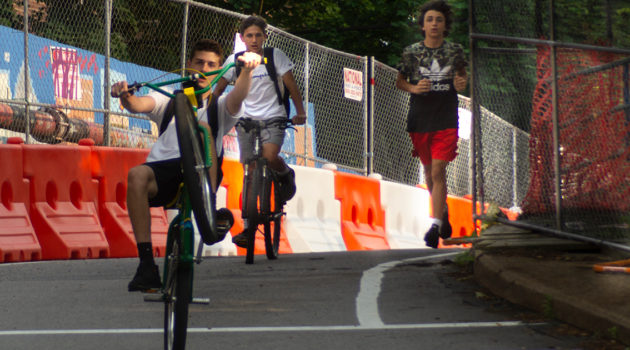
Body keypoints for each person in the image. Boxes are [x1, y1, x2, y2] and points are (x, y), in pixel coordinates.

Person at [111, 39, 262, 292]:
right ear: (189, 64)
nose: (204, 69)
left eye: (212, 65)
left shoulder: (220, 106)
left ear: (219, 69)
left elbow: (239, 94)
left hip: (201, 169)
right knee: (136, 174)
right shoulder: (169, 98)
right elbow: (139, 104)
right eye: (199, 63)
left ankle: (209, 212)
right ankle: (146, 265)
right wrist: (125, 96)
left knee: (202, 128)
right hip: (164, 169)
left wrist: (246, 70)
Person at [212, 15, 307, 248]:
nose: (254, 40)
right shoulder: (234, 61)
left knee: (270, 157)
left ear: (265, 36)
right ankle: (247, 227)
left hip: (274, 117)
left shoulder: (275, 56)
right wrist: (210, 110)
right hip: (245, 120)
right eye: (249, 35)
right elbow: (219, 88)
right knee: (250, 169)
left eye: (258, 35)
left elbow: (291, 85)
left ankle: (285, 175)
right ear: (242, 38)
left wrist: (300, 111)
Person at [395, 0, 468, 249]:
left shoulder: (454, 51)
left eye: (438, 19)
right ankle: (443, 212)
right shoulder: (411, 52)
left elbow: (461, 78)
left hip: (446, 118)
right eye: (430, 20)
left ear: (445, 24)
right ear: (423, 26)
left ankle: (435, 225)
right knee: (428, 173)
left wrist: (460, 83)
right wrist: (414, 87)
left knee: (438, 171)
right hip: (420, 118)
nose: (434, 24)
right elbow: (399, 81)